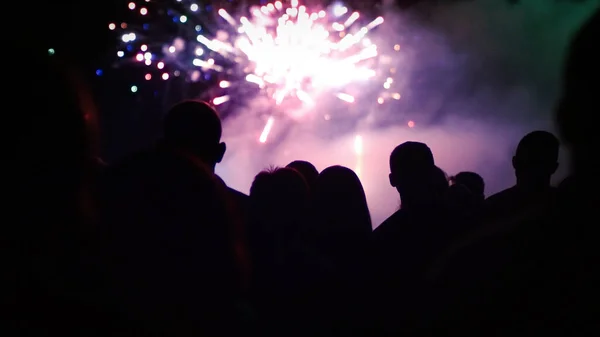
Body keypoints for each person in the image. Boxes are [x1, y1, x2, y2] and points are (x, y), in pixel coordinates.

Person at [484, 130, 559, 223]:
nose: (531, 172)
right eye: (527, 164)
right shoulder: (568, 205)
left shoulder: (493, 206)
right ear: (554, 168)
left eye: (537, 164)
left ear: (514, 163)